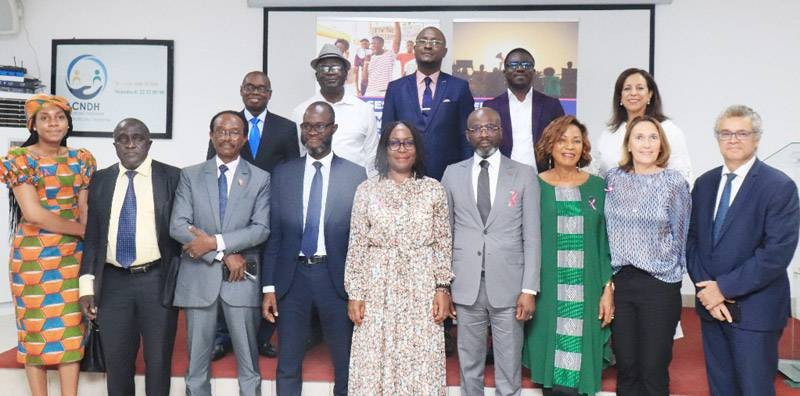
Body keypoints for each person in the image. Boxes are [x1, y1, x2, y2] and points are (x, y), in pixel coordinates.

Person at [687, 105, 799, 396]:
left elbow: (775, 254)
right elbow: (693, 242)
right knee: (721, 388)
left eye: (741, 133)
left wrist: (722, 288)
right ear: (717, 138)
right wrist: (708, 294)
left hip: (755, 311)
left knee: (754, 390)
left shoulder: (779, 186)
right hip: (712, 310)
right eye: (726, 133)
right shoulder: (704, 183)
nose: (733, 139)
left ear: (757, 138)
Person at [262, 102, 367, 396]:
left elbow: (360, 239)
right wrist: (269, 287)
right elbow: (275, 235)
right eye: (306, 126)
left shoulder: (355, 176)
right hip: (292, 278)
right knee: (288, 363)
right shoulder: (283, 174)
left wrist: (359, 289)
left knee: (345, 361)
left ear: (333, 128)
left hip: (335, 279)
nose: (312, 132)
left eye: (319, 126)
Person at [345, 121, 453, 395]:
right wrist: (355, 293)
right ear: (385, 149)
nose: (401, 149)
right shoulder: (366, 190)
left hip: (420, 287)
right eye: (394, 142)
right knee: (375, 358)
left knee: (419, 360)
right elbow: (357, 244)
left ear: (417, 149)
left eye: (408, 142)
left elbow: (442, 241)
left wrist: (442, 288)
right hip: (377, 287)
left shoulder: (433, 189)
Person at [0, 94, 96, 396]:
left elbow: (85, 208)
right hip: (32, 258)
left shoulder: (81, 158)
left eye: (60, 117)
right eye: (45, 117)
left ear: (68, 122)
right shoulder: (20, 159)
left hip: (72, 258)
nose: (54, 123)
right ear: (33, 124)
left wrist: (88, 241)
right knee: (35, 334)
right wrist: (83, 231)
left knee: (70, 333)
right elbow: (33, 214)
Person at [441, 107, 540, 396]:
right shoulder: (452, 174)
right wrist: (445, 286)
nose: (484, 133)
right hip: (466, 283)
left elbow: (532, 237)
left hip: (509, 286)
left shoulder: (523, 174)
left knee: (508, 366)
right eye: (477, 129)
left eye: (490, 127)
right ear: (468, 135)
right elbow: (445, 234)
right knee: (469, 364)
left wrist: (529, 289)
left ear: (501, 131)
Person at [78, 118, 181, 396]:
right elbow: (93, 237)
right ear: (115, 145)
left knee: (159, 362)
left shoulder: (172, 177)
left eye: (137, 137)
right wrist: (87, 287)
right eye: (123, 138)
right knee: (118, 364)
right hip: (112, 284)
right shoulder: (100, 180)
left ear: (149, 143)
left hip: (156, 281)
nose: (131, 143)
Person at [171, 111, 271, 396]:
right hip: (199, 276)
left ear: (243, 138)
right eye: (221, 131)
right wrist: (221, 254)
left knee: (249, 365)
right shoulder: (190, 175)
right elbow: (178, 225)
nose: (227, 137)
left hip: (242, 279)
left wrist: (215, 242)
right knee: (196, 365)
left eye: (234, 132)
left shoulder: (260, 178)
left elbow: (261, 229)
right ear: (212, 135)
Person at [207, 71, 298, 360]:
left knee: (267, 274)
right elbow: (212, 166)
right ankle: (223, 336)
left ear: (270, 93)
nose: (256, 92)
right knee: (228, 272)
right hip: (231, 212)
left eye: (262, 88)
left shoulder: (285, 128)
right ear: (242, 91)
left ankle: (261, 337)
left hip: (271, 213)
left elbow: (292, 172)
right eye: (250, 87)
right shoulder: (226, 124)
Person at [523, 116, 613, 396]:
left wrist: (607, 288)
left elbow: (606, 241)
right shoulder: (533, 185)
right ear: (550, 145)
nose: (569, 146)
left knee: (579, 374)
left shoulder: (599, 186)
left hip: (587, 290)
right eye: (562, 140)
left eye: (576, 140)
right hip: (547, 291)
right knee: (553, 373)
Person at [604, 115, 691, 396]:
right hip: (621, 284)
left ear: (661, 144)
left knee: (653, 368)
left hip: (659, 286)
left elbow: (682, 235)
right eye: (639, 137)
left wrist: (673, 279)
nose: (646, 143)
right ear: (628, 143)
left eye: (653, 137)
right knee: (627, 367)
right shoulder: (612, 181)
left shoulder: (674, 183)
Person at [382, 26, 474, 181]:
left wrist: (465, 177)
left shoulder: (459, 87)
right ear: (415, 48)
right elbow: (386, 136)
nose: (428, 45)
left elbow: (466, 137)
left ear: (444, 51)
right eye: (423, 41)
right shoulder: (396, 88)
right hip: (404, 177)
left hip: (449, 177)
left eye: (435, 42)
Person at [591, 68, 692, 185]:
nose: (633, 93)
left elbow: (684, 177)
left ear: (650, 94)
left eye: (640, 88)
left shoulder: (669, 130)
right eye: (627, 88)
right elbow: (598, 177)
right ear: (620, 97)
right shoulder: (608, 134)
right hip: (615, 200)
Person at [292, 44, 379, 176]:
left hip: (354, 188)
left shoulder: (364, 110)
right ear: (316, 75)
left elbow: (372, 157)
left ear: (345, 74)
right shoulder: (301, 111)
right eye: (324, 68)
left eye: (336, 67)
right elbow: (297, 154)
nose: (330, 72)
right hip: (314, 185)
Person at [483, 48, 565, 172]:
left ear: (534, 71)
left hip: (542, 178)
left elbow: (562, 143)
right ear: (504, 72)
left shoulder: (551, 105)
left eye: (526, 65)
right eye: (514, 65)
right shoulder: (491, 106)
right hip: (501, 178)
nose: (520, 68)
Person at [362, 22, 401, 97]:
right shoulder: (370, 58)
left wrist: (397, 22)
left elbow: (397, 41)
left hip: (384, 92)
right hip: (370, 92)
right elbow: (364, 80)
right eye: (372, 44)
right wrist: (366, 62)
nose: (373, 45)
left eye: (375, 43)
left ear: (382, 45)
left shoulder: (389, 55)